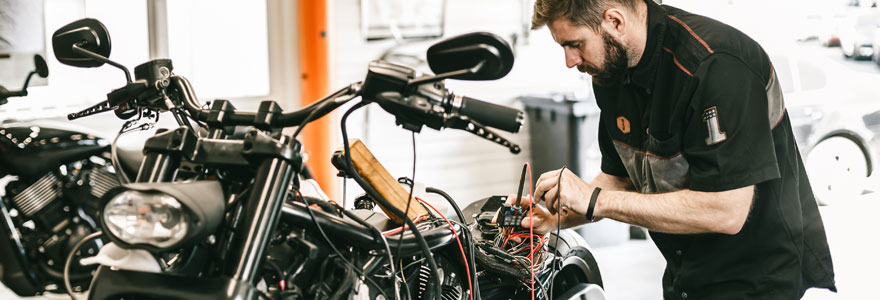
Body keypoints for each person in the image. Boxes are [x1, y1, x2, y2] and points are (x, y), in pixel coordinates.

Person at [512, 0, 837, 298]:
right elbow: (620, 179)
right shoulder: (612, 73)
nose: (570, 61)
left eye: (575, 44)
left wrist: (593, 200)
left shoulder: (715, 64)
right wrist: (556, 216)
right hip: (685, 274)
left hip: (758, 278)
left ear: (614, 21)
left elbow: (727, 211)